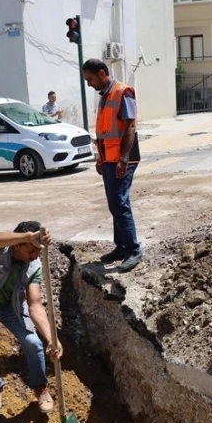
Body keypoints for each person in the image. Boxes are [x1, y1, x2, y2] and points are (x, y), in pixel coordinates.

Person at [0, 221, 62, 413]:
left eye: (37, 252)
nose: (34, 257)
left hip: (10, 306)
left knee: (34, 343)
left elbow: (35, 305)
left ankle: (40, 388)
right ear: (17, 244)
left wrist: (52, 339)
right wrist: (28, 237)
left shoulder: (34, 266)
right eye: (30, 251)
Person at [81, 58, 142, 272]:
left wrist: (123, 159)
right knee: (114, 203)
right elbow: (105, 132)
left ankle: (134, 250)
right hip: (109, 159)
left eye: (90, 79)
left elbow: (130, 126)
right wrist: (101, 158)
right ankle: (121, 246)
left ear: (101, 73)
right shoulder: (105, 96)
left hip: (123, 158)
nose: (89, 84)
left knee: (119, 202)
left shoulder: (123, 92)